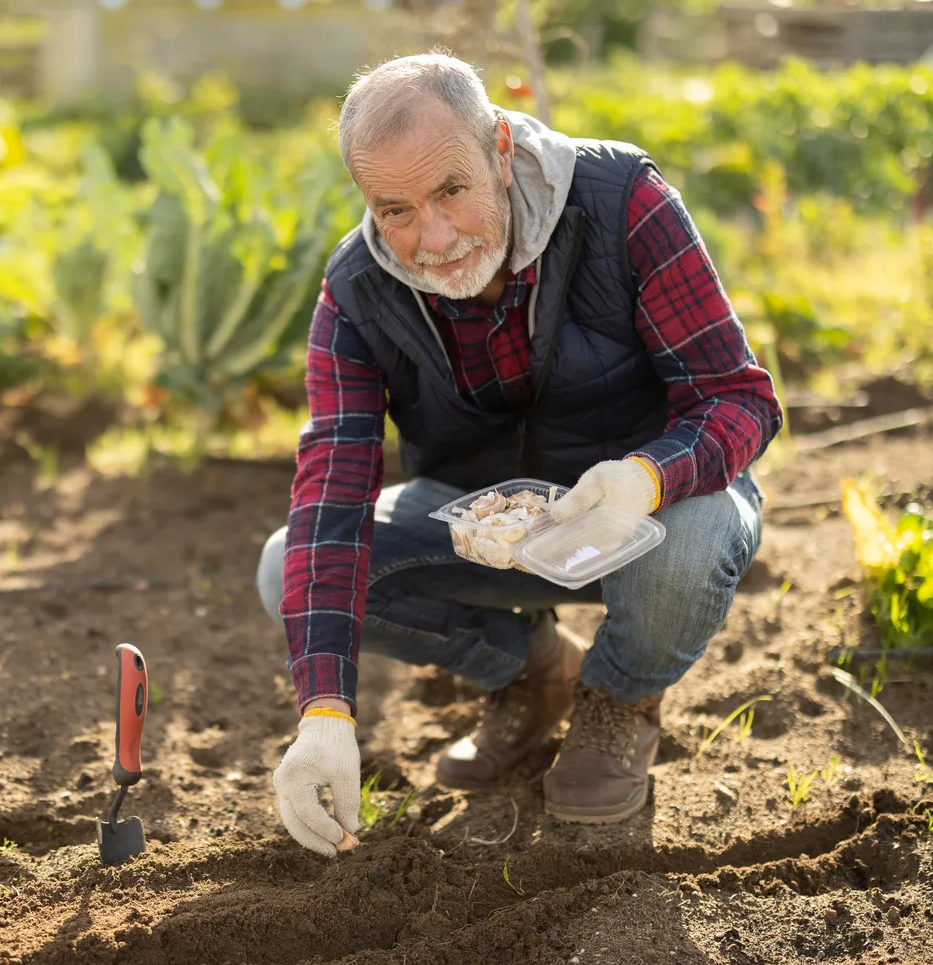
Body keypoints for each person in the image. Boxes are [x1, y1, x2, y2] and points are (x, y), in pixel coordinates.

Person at [258, 52, 783, 856]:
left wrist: (646, 477)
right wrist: (324, 712)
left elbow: (740, 398)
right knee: (284, 563)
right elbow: (332, 496)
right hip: (494, 532)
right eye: (394, 209)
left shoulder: (620, 202)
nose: (431, 238)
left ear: (501, 148)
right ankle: (534, 672)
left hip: (645, 513)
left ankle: (619, 700)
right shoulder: (359, 292)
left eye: (451, 191)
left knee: (697, 536)